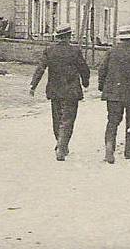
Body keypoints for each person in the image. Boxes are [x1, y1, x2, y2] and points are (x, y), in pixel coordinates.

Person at [30, 25, 91, 161]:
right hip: (71, 91)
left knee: (57, 119)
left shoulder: (49, 50)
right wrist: (85, 82)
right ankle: (62, 147)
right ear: (69, 36)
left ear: (57, 37)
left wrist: (33, 85)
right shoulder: (75, 51)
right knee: (68, 120)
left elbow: (40, 68)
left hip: (55, 90)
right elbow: (84, 68)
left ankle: (60, 143)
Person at [98, 25, 130, 163]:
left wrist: (102, 87)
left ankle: (109, 148)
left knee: (112, 121)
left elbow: (102, 70)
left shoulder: (110, 52)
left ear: (119, 39)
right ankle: (129, 151)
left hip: (113, 93)